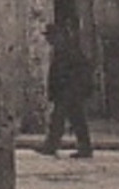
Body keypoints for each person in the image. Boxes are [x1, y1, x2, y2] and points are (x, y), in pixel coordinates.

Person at [37, 23, 94, 158]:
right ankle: (84, 147)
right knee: (76, 120)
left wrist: (58, 90)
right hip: (69, 92)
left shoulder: (64, 49)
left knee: (59, 119)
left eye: (49, 36)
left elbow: (61, 73)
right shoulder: (65, 48)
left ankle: (52, 145)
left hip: (68, 92)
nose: (47, 40)